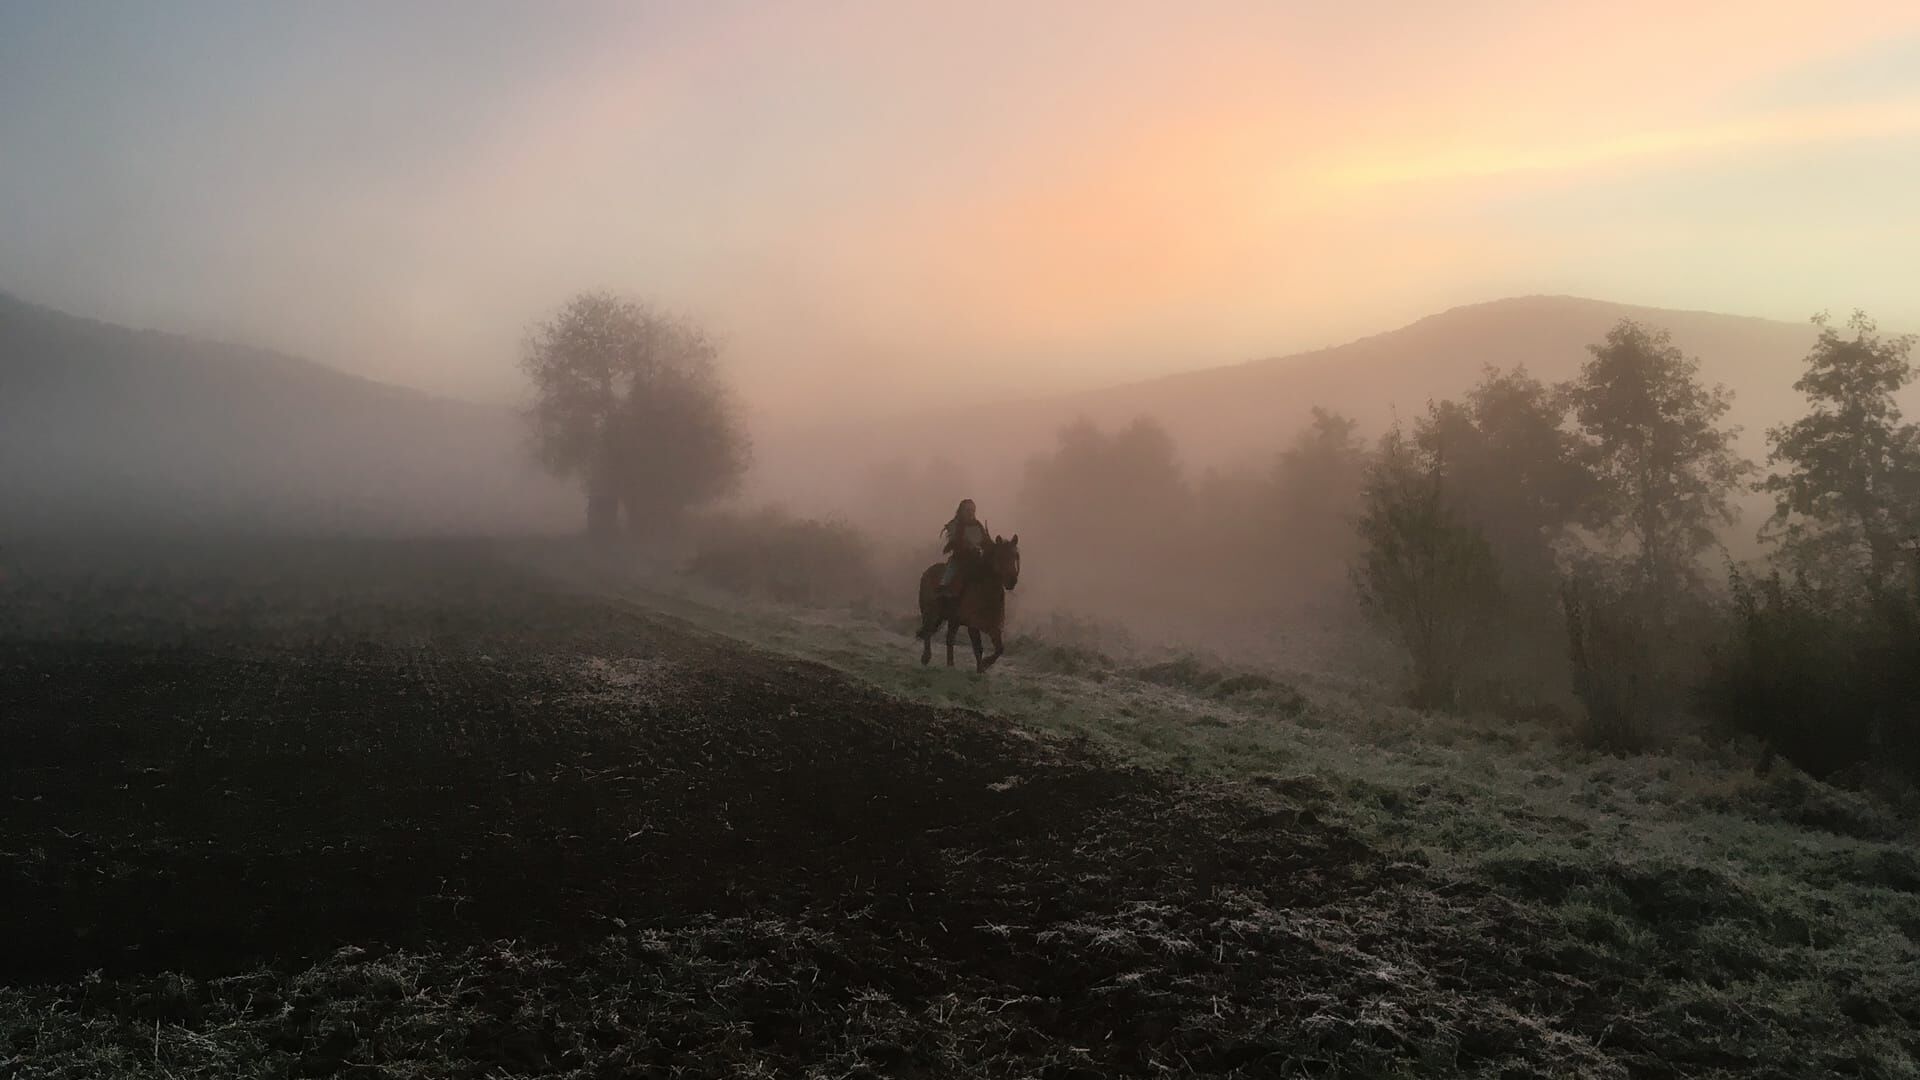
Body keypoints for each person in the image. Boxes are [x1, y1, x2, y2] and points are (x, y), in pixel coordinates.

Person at [938, 499, 988, 601]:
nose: (970, 513)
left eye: (972, 510)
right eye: (968, 510)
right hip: (960, 559)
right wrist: (966, 546)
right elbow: (955, 541)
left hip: (977, 559)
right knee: (949, 575)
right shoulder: (957, 525)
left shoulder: (978, 525)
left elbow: (985, 541)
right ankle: (943, 597)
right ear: (962, 511)